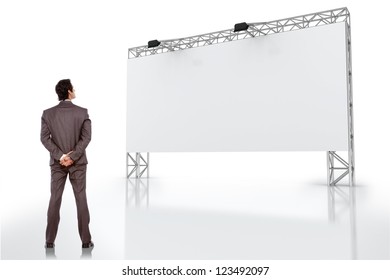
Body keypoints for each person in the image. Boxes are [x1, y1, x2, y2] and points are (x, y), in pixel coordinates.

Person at [41, 79, 93, 249]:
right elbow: (86, 138)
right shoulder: (82, 112)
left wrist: (61, 156)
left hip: (57, 164)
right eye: (73, 88)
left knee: (55, 199)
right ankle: (86, 242)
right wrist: (73, 156)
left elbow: (44, 138)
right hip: (78, 163)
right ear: (69, 91)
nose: (75, 89)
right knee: (81, 199)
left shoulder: (48, 114)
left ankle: (49, 241)